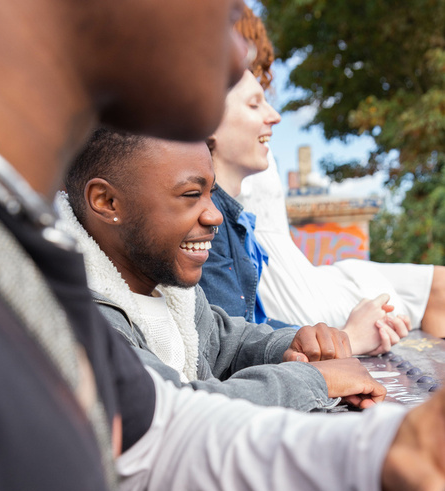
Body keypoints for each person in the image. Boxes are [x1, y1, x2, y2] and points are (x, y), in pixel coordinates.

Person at [0, 2, 445, 491]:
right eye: (225, 4)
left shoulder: (26, 248)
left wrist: (376, 460)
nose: (240, 44)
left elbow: (154, 432)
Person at [58, 129, 386, 412]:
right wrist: (313, 380)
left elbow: (230, 345)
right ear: (106, 201)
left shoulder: (169, 289)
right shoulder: (76, 317)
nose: (215, 216)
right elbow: (169, 409)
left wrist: (296, 346)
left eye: (210, 193)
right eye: (190, 195)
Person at [236, 8, 445, 338]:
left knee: (436, 286)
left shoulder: (245, 120)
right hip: (280, 289)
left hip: (295, 271)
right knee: (433, 293)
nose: (273, 115)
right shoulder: (218, 124)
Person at [201, 68, 411, 355]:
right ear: (207, 120)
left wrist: (340, 339)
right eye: (254, 104)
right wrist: (347, 340)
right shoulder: (209, 221)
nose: (274, 116)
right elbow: (229, 350)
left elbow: (250, 327)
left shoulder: (233, 220)